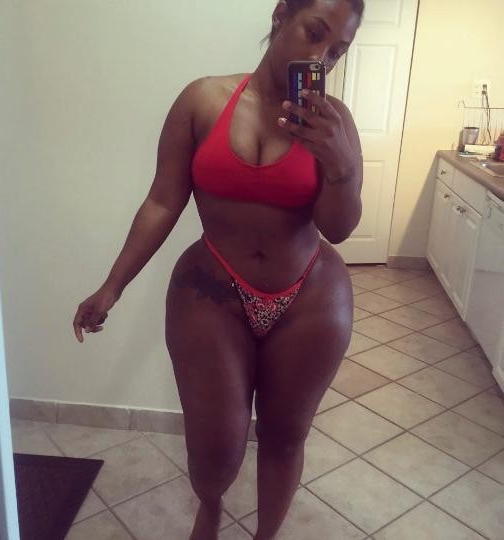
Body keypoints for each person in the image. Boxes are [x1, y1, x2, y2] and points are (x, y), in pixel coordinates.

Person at [73, 0, 364, 538]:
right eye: (314, 32)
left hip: (310, 297)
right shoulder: (202, 100)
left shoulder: (335, 124)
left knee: (284, 436)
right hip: (214, 288)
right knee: (215, 449)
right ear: (281, 15)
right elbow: (162, 201)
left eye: (337, 50)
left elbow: (339, 228)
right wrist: (112, 286)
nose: (320, 57)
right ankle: (210, 505)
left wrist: (340, 163)